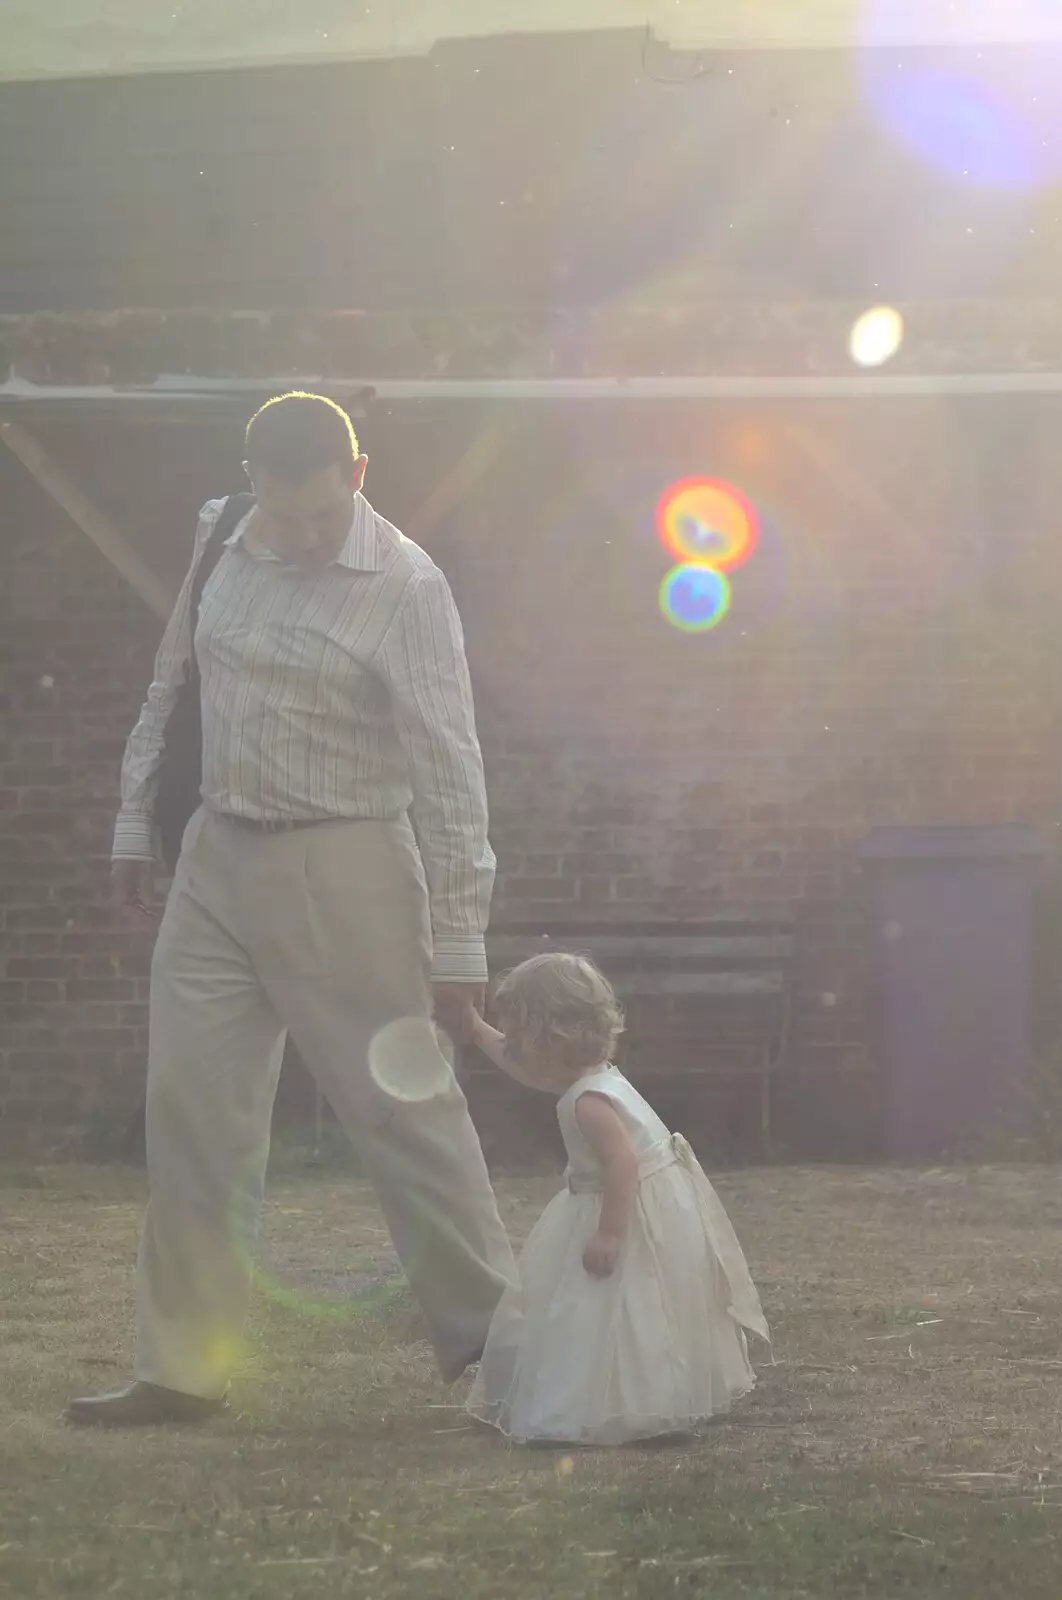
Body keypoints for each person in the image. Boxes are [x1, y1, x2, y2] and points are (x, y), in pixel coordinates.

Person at [69, 392, 516, 1426]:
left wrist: (458, 938)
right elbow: (171, 678)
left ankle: (498, 1344)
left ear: (358, 474)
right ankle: (181, 1367)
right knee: (193, 1114)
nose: (309, 535)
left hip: (347, 859)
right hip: (218, 859)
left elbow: (453, 773)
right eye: (287, 512)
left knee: (403, 1108)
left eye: (326, 512)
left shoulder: (407, 586)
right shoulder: (220, 531)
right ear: (251, 485)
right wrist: (136, 822)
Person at [466, 953, 769, 1446]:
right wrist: (474, 1028)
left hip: (619, 1209)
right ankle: (642, 1396)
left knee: (605, 1309)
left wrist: (609, 1232)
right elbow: (525, 1070)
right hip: (651, 1205)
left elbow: (621, 1165)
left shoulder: (589, 1101)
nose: (514, 1045)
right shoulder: (597, 1075)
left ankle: (594, 1406)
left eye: (516, 1032)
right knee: (637, 1308)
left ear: (546, 1035)